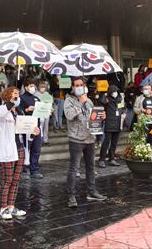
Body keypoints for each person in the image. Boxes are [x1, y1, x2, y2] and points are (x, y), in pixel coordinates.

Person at [64, 77, 107, 208]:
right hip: (76, 139)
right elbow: (69, 115)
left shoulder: (89, 101)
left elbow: (93, 118)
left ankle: (92, 191)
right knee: (74, 168)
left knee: (91, 167)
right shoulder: (69, 100)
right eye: (76, 85)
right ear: (72, 87)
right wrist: (81, 104)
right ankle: (71, 195)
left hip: (90, 138)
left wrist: (101, 117)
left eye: (81, 85)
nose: (78, 87)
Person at [0, 87, 35, 220]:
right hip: (7, 149)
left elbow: (24, 125)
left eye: (18, 93)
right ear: (8, 95)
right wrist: (12, 102)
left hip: (18, 148)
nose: (17, 95)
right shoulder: (2, 109)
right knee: (7, 180)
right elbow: (1, 114)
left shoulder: (18, 111)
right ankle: (3, 208)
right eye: (14, 93)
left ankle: (12, 207)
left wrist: (33, 130)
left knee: (16, 179)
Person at [19, 78, 43, 179]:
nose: (32, 88)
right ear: (26, 87)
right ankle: (24, 170)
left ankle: (34, 170)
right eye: (30, 86)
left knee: (36, 149)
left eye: (33, 86)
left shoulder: (37, 98)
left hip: (36, 127)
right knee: (25, 149)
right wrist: (26, 109)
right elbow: (19, 111)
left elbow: (41, 111)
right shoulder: (21, 98)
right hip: (26, 127)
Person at [98, 85, 122, 168]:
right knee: (106, 142)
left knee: (114, 143)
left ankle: (112, 158)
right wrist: (104, 93)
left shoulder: (119, 99)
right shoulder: (107, 99)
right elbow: (101, 100)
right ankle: (102, 159)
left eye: (116, 91)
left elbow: (122, 108)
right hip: (109, 123)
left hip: (118, 123)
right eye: (113, 91)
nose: (115, 93)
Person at [35, 81, 53, 146]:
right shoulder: (36, 94)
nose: (42, 88)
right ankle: (40, 140)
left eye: (44, 87)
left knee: (46, 126)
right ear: (38, 87)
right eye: (41, 87)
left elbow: (50, 102)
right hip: (39, 113)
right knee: (40, 126)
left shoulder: (47, 94)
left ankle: (45, 140)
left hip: (46, 112)